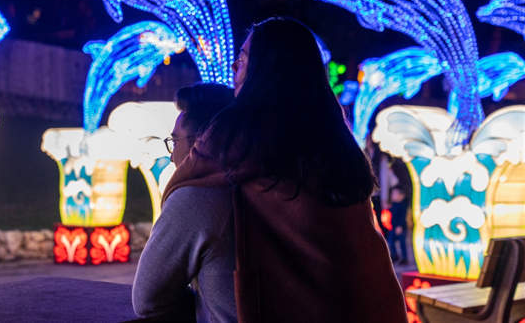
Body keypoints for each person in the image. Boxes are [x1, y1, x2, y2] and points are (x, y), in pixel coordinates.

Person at [134, 17, 407, 323]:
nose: (234, 69)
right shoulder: (339, 172)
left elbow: (148, 299)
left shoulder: (220, 180)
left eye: (243, 61)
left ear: (265, 77)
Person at [133, 82, 235, 322]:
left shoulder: (198, 197)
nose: (171, 155)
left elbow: (147, 299)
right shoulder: (260, 182)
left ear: (201, 141)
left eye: (175, 141)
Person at [387, 185, 409, 265]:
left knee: (402, 243)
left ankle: (404, 258)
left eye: (395, 194)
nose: (392, 196)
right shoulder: (394, 204)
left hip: (401, 228)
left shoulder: (403, 205)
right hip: (393, 227)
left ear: (401, 196)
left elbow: (402, 217)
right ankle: (394, 255)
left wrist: (400, 226)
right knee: (390, 241)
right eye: (392, 194)